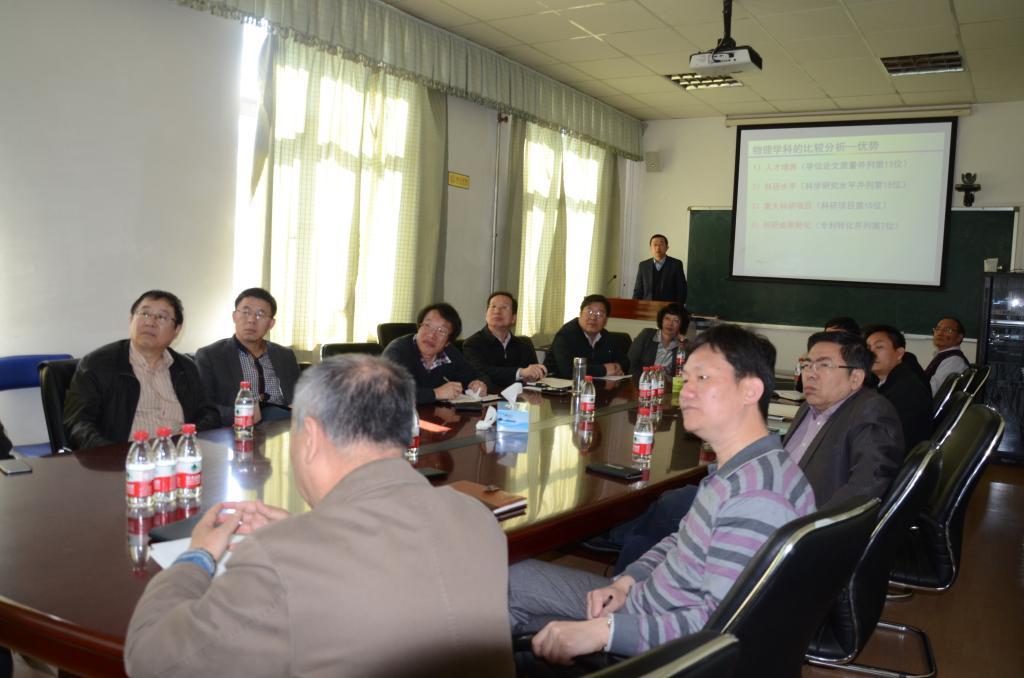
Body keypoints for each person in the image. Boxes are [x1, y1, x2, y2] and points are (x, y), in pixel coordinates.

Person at [124, 356, 514, 677]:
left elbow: (152, 660)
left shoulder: (280, 558)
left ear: (310, 437)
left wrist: (197, 557)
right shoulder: (477, 519)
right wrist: (300, 533)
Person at [509, 324, 815, 663]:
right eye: (686, 377)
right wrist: (627, 582)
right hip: (642, 600)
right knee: (507, 580)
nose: (685, 391)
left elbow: (720, 628)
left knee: (499, 595)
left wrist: (606, 632)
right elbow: (682, 541)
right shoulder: (743, 469)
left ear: (750, 390)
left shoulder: (757, 497)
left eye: (703, 378)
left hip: (661, 637)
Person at [602, 330, 903, 573]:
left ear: (856, 378)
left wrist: (805, 533)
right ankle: (626, 557)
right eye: (807, 364)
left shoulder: (871, 412)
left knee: (670, 505)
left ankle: (616, 549)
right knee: (661, 519)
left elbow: (864, 492)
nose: (810, 374)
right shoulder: (810, 409)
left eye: (823, 365)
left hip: (785, 521)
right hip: (760, 496)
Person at [63, 291, 219, 449]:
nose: (150, 322)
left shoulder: (185, 367)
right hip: (125, 457)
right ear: (131, 319)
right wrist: (113, 455)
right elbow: (78, 424)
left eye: (161, 317)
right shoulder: (97, 364)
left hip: (179, 455)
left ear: (177, 330)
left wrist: (189, 437)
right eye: (144, 314)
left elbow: (208, 413)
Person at [195, 288, 301, 426]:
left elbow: (301, 396)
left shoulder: (285, 355)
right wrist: (242, 413)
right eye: (245, 312)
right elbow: (203, 406)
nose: (251, 320)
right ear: (234, 316)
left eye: (260, 314)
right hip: (241, 427)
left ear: (271, 324)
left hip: (286, 425)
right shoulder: (210, 356)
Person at [382, 302, 490, 404]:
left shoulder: (449, 353)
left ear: (448, 342)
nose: (431, 335)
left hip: (433, 415)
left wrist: (478, 384)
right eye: (427, 325)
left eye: (441, 331)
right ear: (419, 327)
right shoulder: (398, 350)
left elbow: (477, 375)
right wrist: (436, 393)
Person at [864, 324, 933, 451]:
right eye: (868, 348)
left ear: (899, 353)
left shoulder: (907, 390)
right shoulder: (890, 380)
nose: (871, 353)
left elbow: (885, 440)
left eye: (879, 347)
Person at [462, 291, 546, 391]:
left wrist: (533, 376)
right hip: (490, 397)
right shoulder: (472, 343)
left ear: (513, 318)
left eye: (504, 307)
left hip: (522, 397)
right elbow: (481, 372)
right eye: (493, 306)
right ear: (486, 314)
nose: (497, 311)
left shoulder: (524, 344)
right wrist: (521, 372)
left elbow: (533, 375)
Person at [544, 295, 630, 378]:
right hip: (557, 384)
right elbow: (568, 370)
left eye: (599, 314)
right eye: (589, 312)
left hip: (592, 384)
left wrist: (617, 367)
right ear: (580, 313)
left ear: (606, 320)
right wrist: (604, 370)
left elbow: (626, 362)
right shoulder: (566, 334)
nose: (593, 317)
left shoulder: (606, 337)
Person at [627, 303, 689, 375]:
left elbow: (684, 372)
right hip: (642, 380)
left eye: (675, 320)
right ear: (662, 319)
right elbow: (630, 362)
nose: (670, 324)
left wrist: (683, 346)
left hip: (668, 382)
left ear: (681, 324)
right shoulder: (647, 335)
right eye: (667, 318)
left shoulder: (683, 344)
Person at [632, 234, 687, 305]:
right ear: (650, 248)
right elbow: (638, 290)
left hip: (669, 308)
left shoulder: (676, 264)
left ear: (667, 247)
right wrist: (634, 306)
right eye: (655, 245)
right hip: (647, 307)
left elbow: (682, 289)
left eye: (661, 245)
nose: (658, 247)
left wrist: (677, 308)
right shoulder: (643, 265)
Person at [925, 316, 970, 395]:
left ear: (959, 337)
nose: (940, 333)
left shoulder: (954, 361)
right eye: (937, 329)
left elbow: (932, 391)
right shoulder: (943, 355)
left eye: (947, 330)